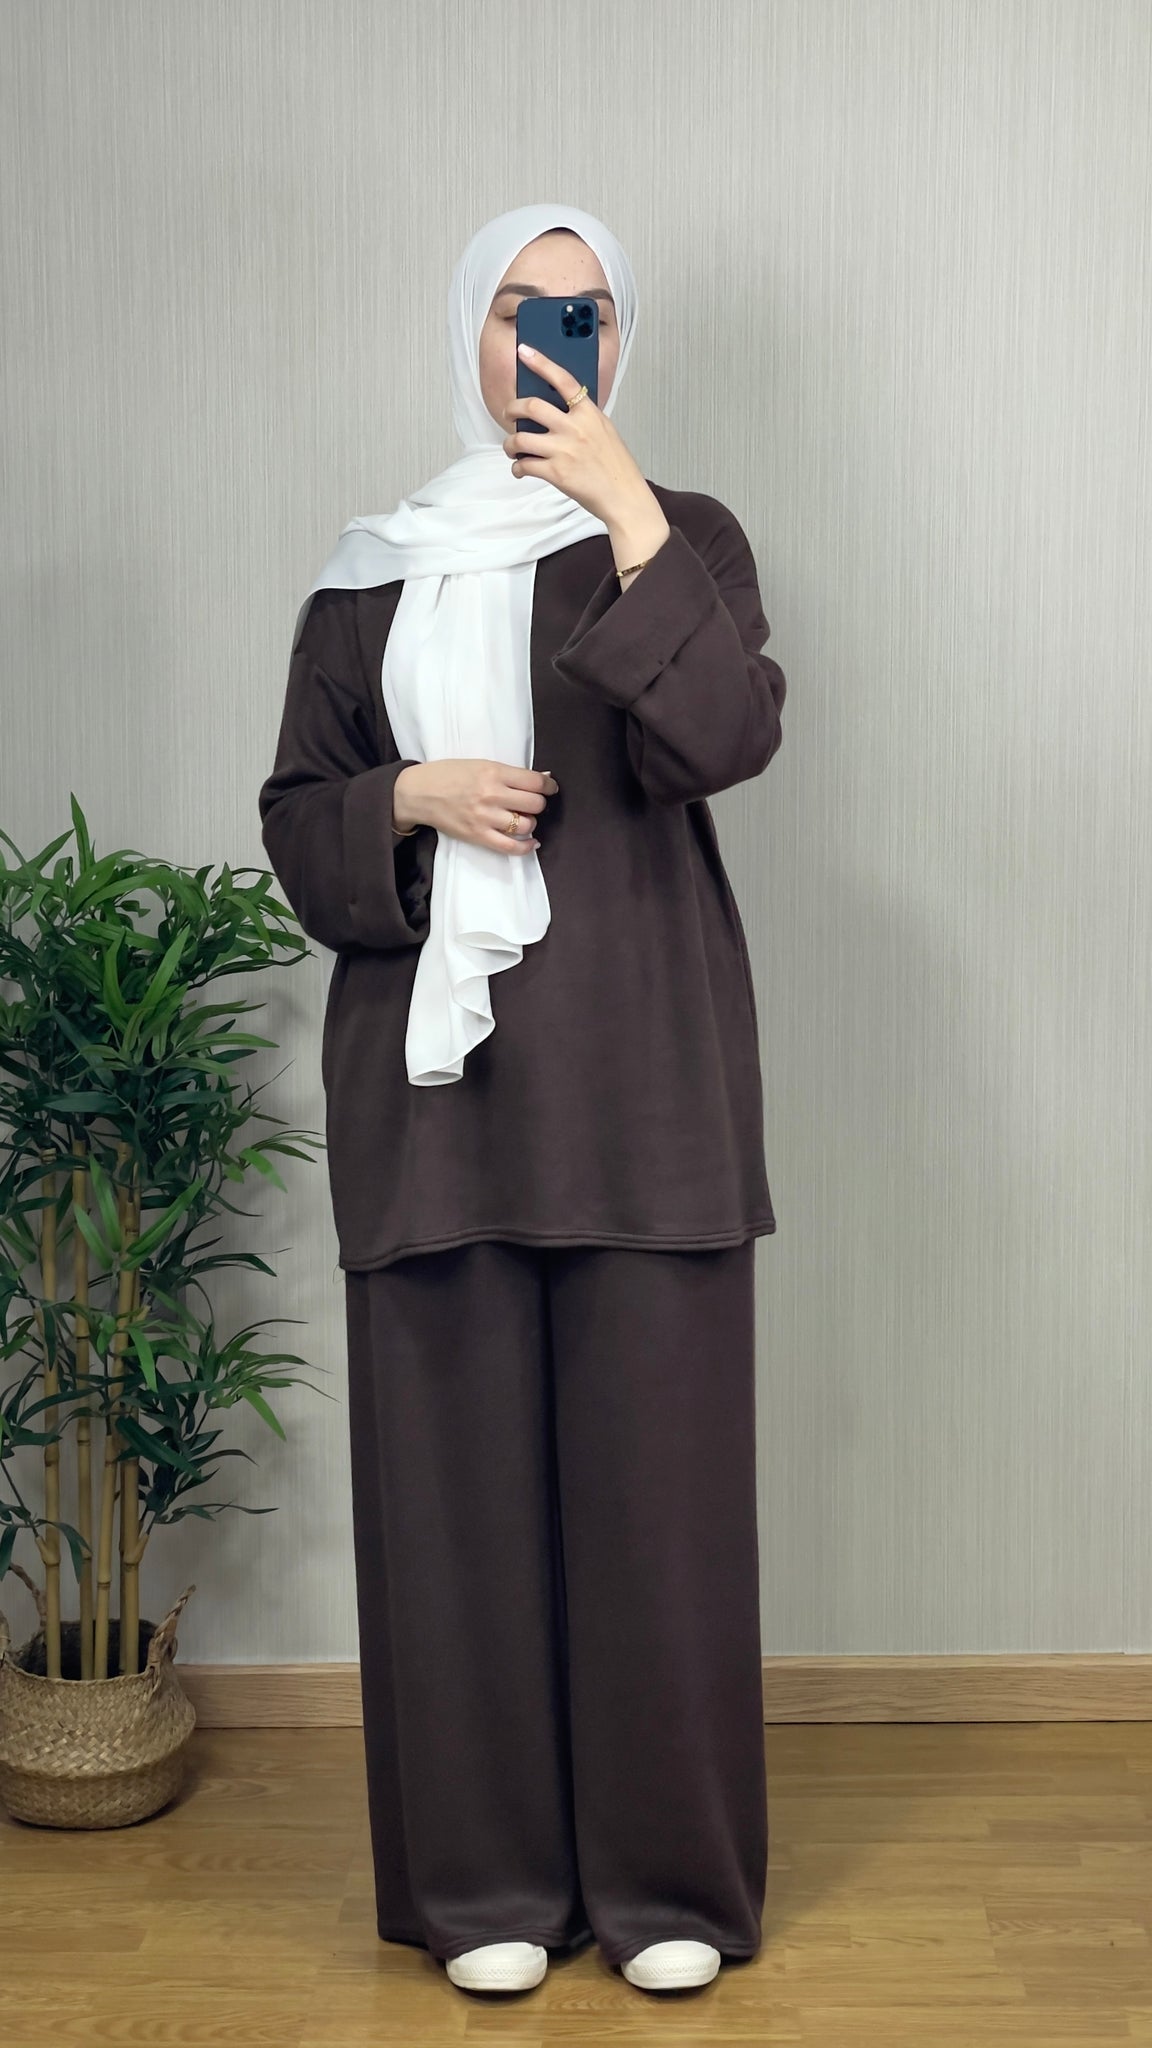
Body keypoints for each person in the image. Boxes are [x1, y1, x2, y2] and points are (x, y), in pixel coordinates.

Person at [258, 202, 787, 1999]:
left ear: (619, 343)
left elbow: (725, 738)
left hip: (644, 1087)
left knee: (662, 1516)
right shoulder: (369, 574)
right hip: (440, 1100)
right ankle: (485, 1886)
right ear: (464, 336)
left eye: (587, 312)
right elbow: (297, 825)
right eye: (516, 309)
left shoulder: (685, 539)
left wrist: (630, 514)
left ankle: (670, 1890)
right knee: (455, 1511)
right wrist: (406, 799)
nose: (554, 340)